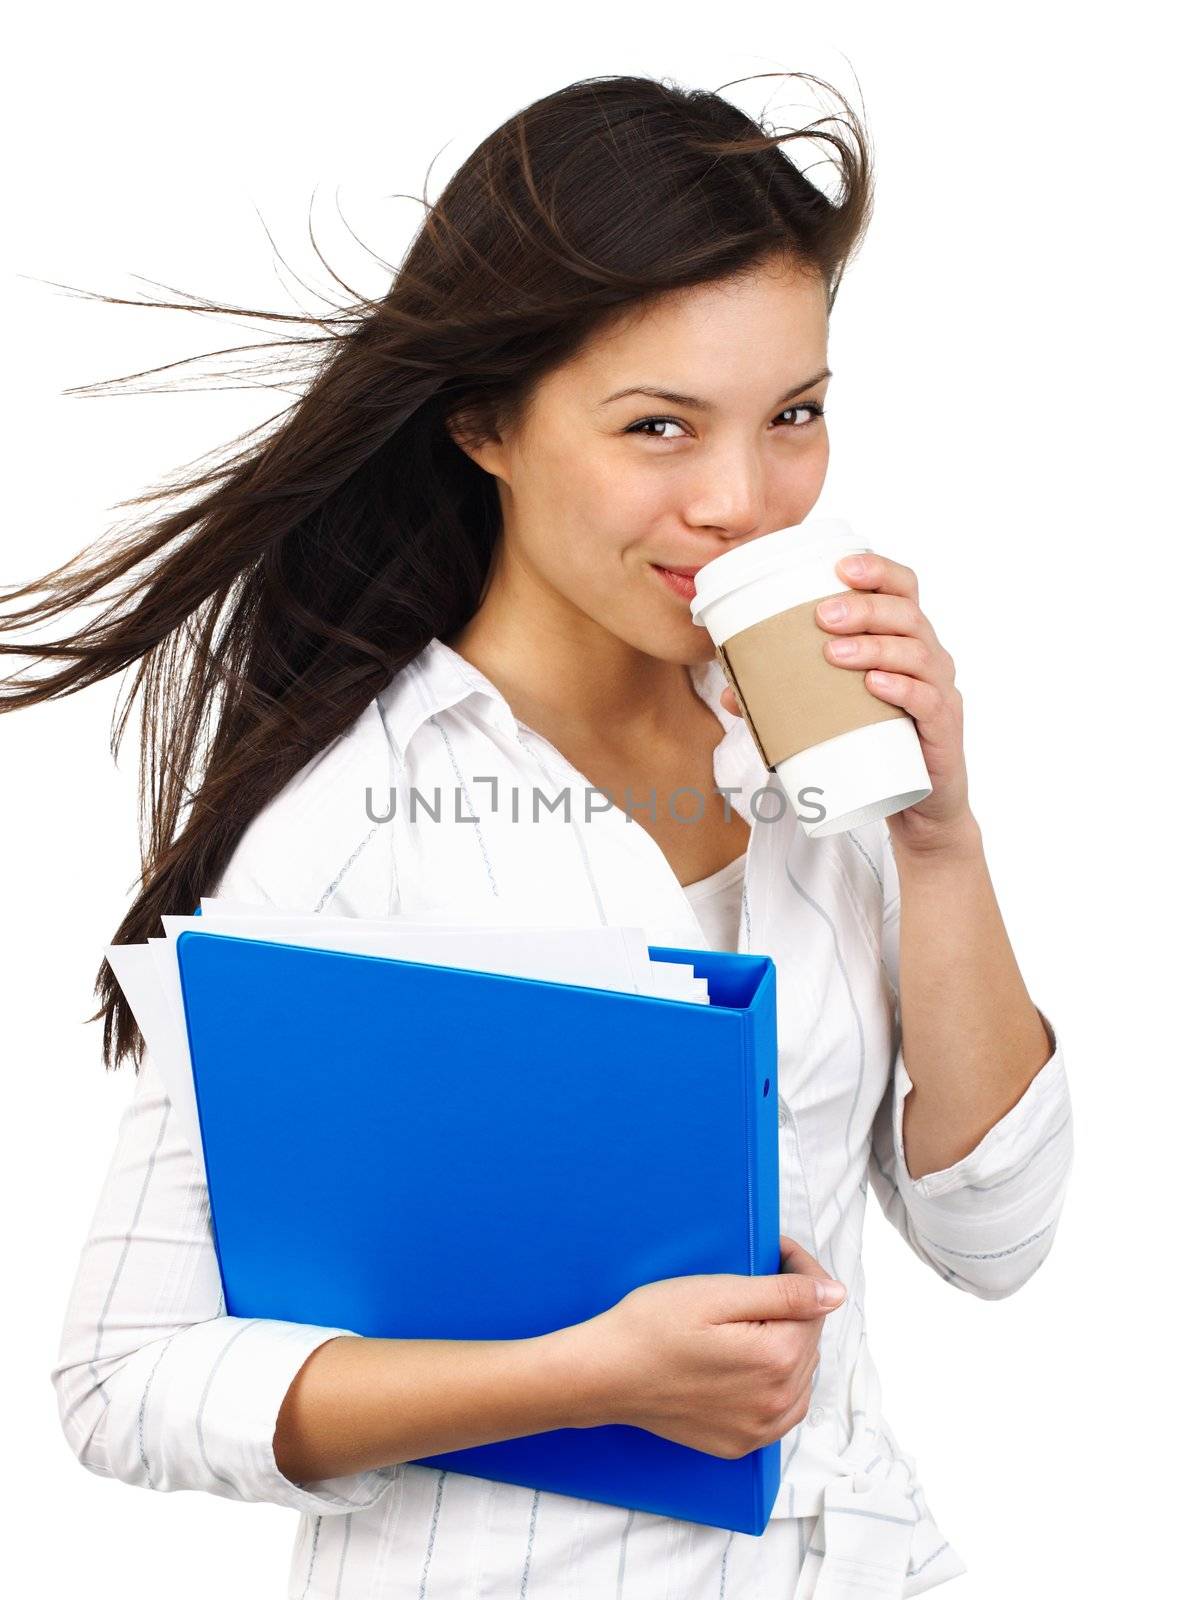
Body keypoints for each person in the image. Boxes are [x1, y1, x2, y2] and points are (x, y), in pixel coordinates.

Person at [5, 72, 1074, 1599]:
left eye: (794, 416)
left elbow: (996, 1238)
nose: (741, 501)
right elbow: (124, 1379)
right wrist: (587, 1377)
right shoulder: (352, 826)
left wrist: (942, 837)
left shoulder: (813, 760)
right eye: (656, 426)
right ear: (486, 424)